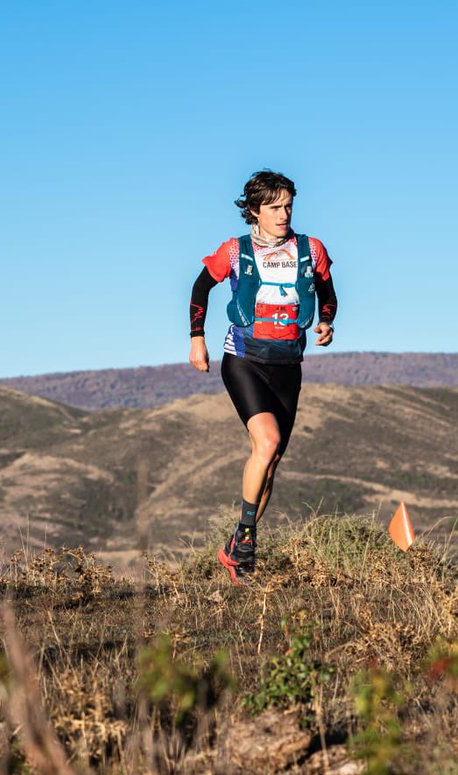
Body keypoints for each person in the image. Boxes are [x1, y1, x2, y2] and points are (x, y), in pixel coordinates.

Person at [187, 170, 338, 586]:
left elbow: (328, 294)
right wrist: (197, 340)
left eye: (288, 206)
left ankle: (237, 551)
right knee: (266, 441)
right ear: (254, 210)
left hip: (289, 365)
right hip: (243, 360)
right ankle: (248, 542)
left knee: (270, 463)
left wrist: (326, 323)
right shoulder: (235, 251)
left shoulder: (311, 249)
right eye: (274, 207)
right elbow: (201, 288)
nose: (283, 214)